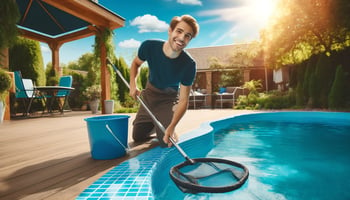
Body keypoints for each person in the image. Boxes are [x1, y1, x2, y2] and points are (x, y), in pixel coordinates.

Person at [129, 14, 200, 147]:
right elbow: (135, 64)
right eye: (179, 31)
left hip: (168, 100)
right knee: (137, 136)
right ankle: (156, 122)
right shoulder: (149, 46)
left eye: (187, 36)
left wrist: (172, 126)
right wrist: (133, 85)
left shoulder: (189, 64)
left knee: (166, 142)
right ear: (170, 30)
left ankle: (165, 122)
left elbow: (184, 100)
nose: (181, 38)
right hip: (149, 96)